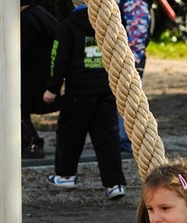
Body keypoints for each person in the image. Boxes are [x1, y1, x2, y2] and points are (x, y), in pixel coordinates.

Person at [43, 0, 127, 200]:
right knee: (107, 138)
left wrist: (52, 88)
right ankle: (114, 184)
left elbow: (59, 58)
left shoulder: (68, 25)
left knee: (69, 135)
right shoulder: (109, 24)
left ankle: (66, 175)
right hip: (106, 90)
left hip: (77, 92)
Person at [20, 0, 59, 159]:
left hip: (32, 72)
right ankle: (29, 141)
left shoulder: (26, 18)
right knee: (20, 109)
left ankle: (33, 141)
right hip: (41, 71)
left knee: (17, 109)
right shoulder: (40, 14)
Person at [117, 0, 152, 153]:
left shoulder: (136, 4)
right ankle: (120, 137)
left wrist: (131, 63)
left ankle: (125, 139)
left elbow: (138, 35)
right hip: (121, 57)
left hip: (128, 61)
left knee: (126, 101)